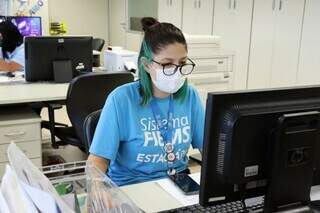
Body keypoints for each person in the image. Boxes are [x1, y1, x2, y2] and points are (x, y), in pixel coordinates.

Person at [88, 17, 205, 186]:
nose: (177, 71)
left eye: (182, 63)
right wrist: (98, 190)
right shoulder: (121, 99)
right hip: (133, 186)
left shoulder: (190, 96)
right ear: (146, 65)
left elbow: (209, 151)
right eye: (167, 64)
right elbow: (97, 161)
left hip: (179, 183)